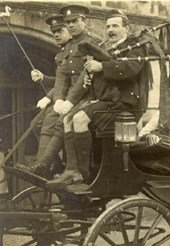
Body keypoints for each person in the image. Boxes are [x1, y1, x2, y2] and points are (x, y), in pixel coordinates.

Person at [46, 9, 150, 189]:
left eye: (115, 26)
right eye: (108, 26)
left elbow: (130, 69)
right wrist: (90, 77)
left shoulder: (135, 47)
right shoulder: (107, 48)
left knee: (79, 119)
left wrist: (102, 66)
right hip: (107, 100)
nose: (110, 30)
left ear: (126, 28)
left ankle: (84, 172)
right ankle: (71, 169)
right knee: (67, 120)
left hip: (125, 103)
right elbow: (97, 76)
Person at [17, 5, 103, 179]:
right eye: (68, 22)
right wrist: (56, 100)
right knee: (44, 120)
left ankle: (45, 164)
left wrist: (69, 101)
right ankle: (45, 164)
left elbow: (85, 76)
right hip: (72, 95)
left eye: (74, 21)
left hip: (89, 95)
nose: (70, 25)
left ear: (84, 21)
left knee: (59, 122)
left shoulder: (93, 42)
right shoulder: (70, 47)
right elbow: (63, 76)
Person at [30, 15, 72, 172]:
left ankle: (42, 164)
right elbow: (61, 81)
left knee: (48, 123)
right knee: (35, 124)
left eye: (60, 30)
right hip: (62, 96)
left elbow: (72, 83)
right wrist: (44, 78)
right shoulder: (61, 54)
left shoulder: (74, 51)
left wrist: (49, 97)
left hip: (72, 99)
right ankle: (56, 164)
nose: (55, 34)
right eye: (53, 31)